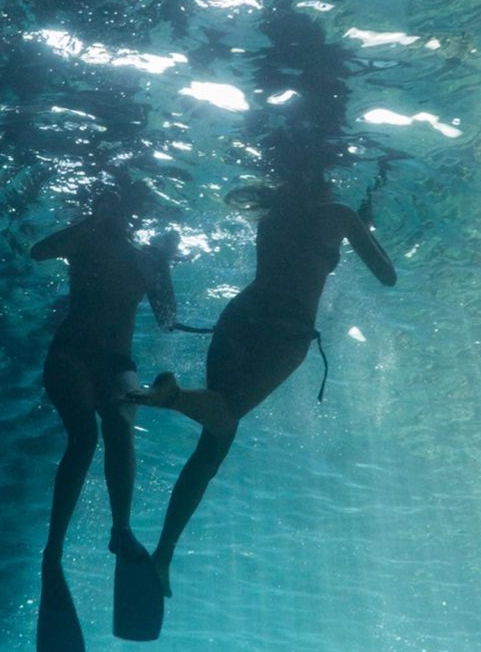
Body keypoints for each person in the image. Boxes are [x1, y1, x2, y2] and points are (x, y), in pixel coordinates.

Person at [126, 175, 395, 595]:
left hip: (238, 318)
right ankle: (173, 397)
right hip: (285, 335)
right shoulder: (337, 215)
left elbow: (297, 258)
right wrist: (362, 228)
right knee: (225, 418)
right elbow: (387, 275)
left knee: (213, 442)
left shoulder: (273, 218)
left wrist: (349, 229)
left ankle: (164, 554)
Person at [33, 191, 178, 579]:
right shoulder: (85, 239)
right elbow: (38, 251)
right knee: (83, 439)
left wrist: (164, 263)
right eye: (110, 204)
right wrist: (90, 221)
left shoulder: (146, 258)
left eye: (124, 205)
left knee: (120, 426)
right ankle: (54, 549)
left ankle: (121, 530)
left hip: (117, 363)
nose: (119, 211)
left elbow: (166, 319)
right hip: (71, 354)